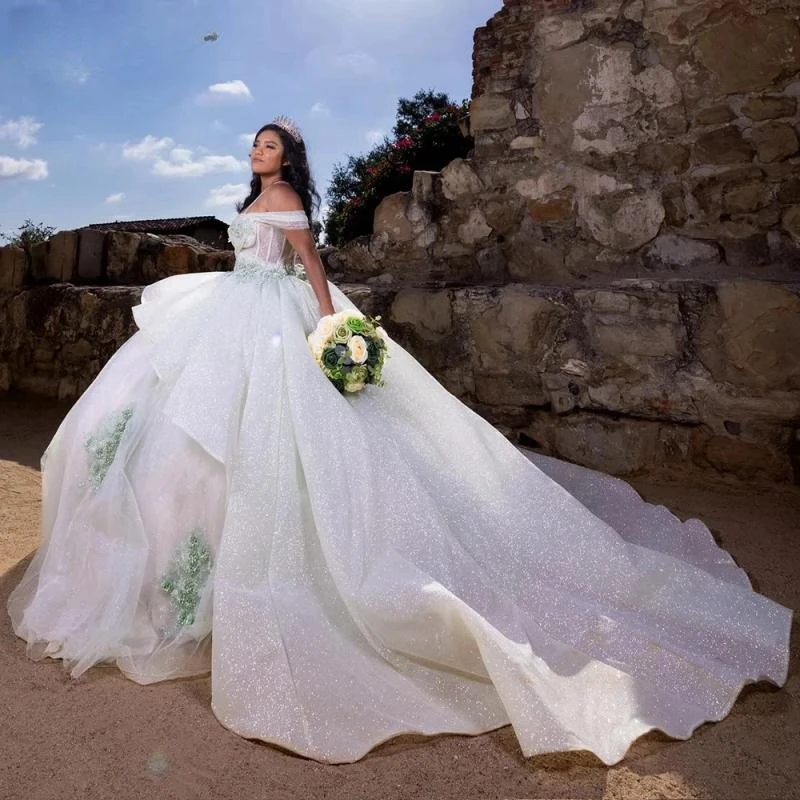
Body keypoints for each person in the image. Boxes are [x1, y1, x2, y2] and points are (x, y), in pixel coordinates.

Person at [8, 116, 791, 765]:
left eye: (270, 145)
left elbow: (310, 266)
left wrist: (329, 323)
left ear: (289, 160)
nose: (259, 152)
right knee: (168, 431)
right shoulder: (256, 197)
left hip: (276, 321)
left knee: (279, 446)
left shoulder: (285, 202)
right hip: (231, 313)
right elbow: (257, 257)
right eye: (256, 143)